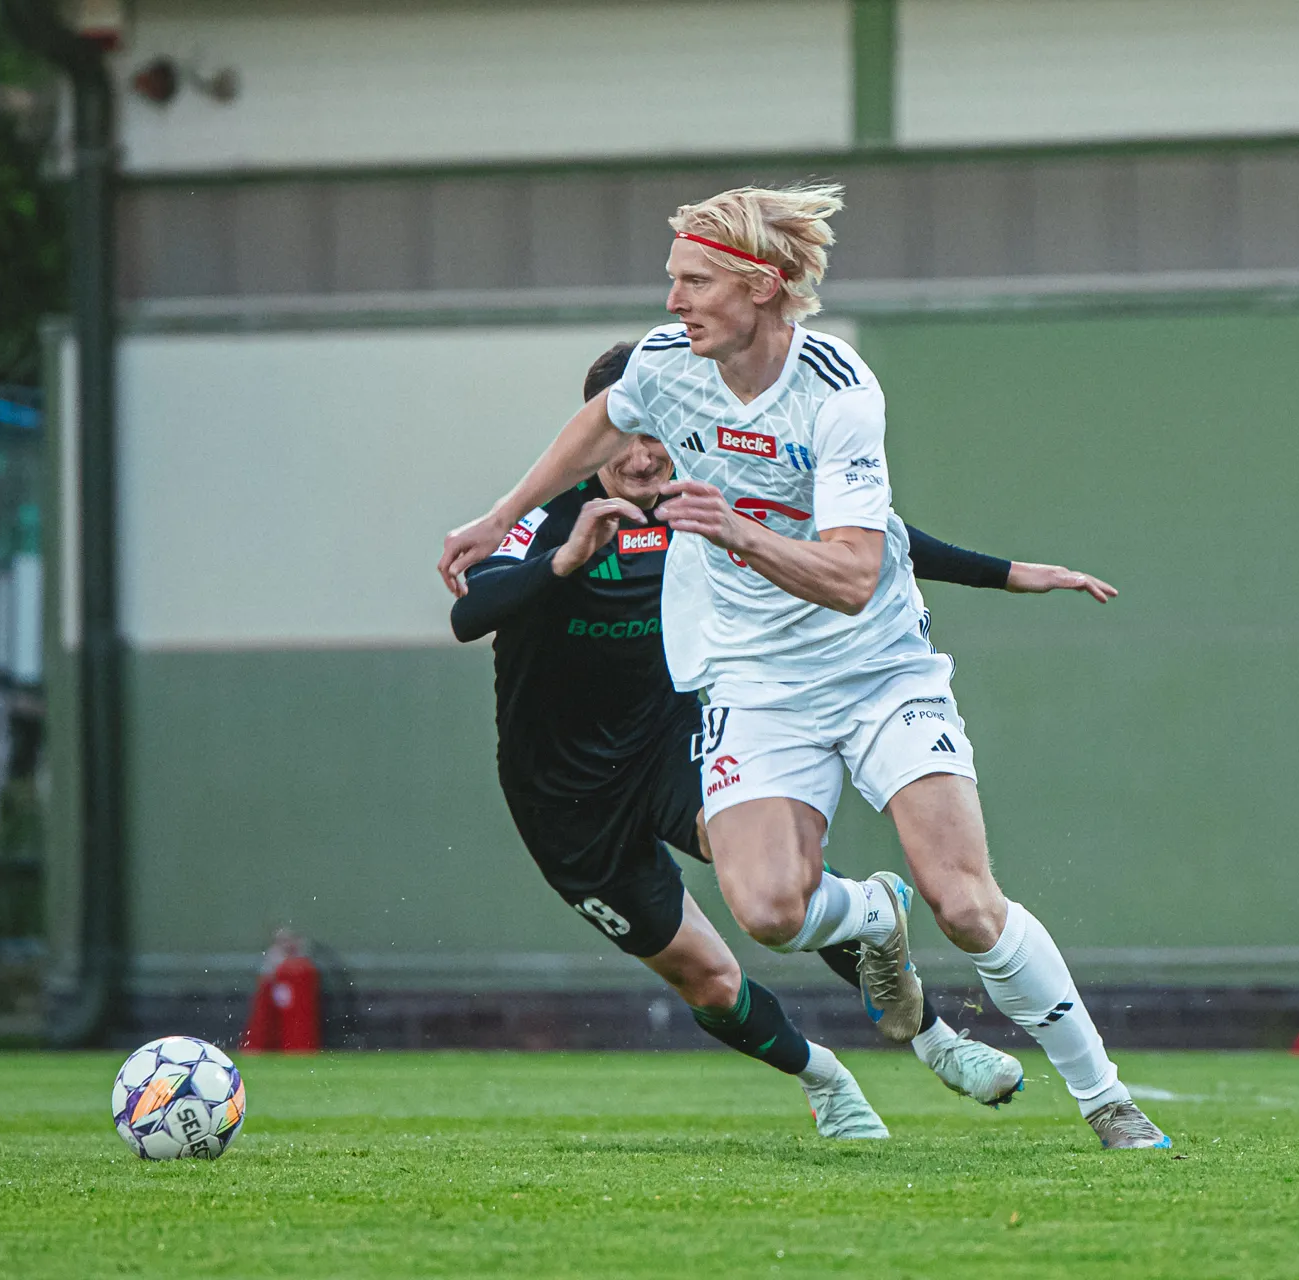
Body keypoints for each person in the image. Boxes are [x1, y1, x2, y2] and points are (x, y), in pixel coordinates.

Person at [439, 184, 1169, 1150]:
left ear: (762, 286)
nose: (673, 302)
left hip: (875, 669)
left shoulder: (839, 392)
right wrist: (500, 515)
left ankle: (1107, 1101)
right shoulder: (665, 367)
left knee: (964, 903)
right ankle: (870, 918)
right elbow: (603, 419)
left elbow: (859, 576)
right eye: (672, 280)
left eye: (695, 282)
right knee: (769, 911)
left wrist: (736, 529)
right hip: (752, 684)